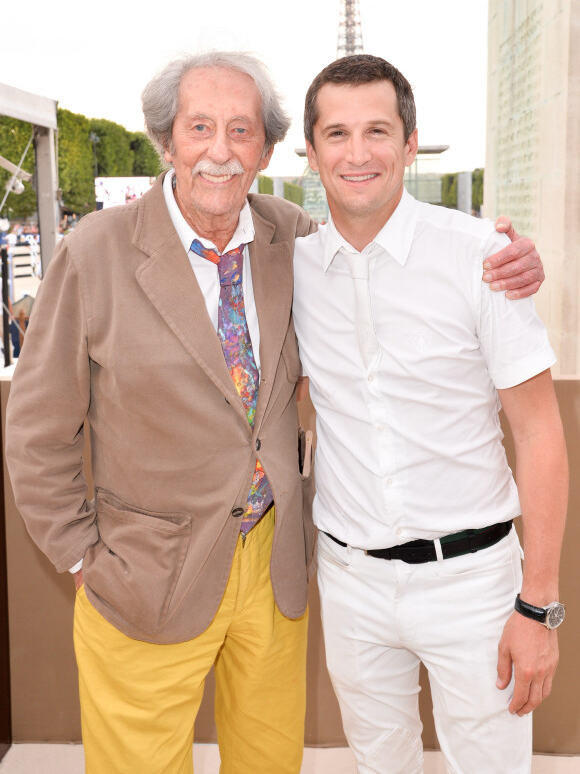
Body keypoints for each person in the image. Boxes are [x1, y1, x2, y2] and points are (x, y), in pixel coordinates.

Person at [5, 50, 543, 774]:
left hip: (276, 564)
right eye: (200, 127)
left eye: (241, 129)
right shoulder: (93, 252)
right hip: (143, 572)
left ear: (266, 146)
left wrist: (517, 262)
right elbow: (38, 428)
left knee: (268, 761)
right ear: (167, 140)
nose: (220, 151)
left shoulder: (289, 238)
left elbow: (393, 256)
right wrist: (82, 556)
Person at [292, 54, 568, 774]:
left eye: (378, 131)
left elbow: (540, 433)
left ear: (410, 144)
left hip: (473, 583)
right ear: (312, 150)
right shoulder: (288, 269)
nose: (358, 153)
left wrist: (538, 605)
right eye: (338, 134)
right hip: (350, 581)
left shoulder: (480, 256)